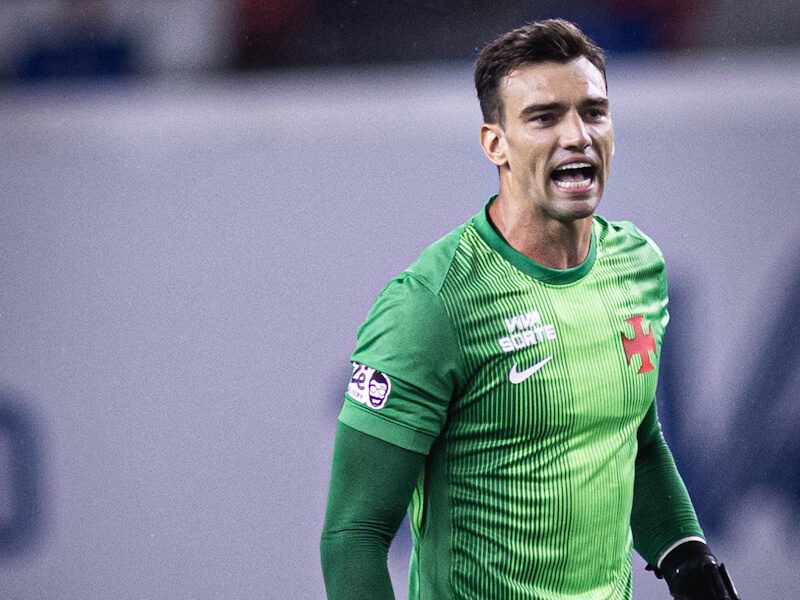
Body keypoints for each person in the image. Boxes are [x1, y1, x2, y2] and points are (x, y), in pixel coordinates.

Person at [320, 19, 741, 600]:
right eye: (544, 117)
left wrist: (684, 551)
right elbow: (353, 535)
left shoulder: (638, 266)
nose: (578, 135)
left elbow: (634, 439)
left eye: (594, 112)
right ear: (495, 143)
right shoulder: (432, 305)